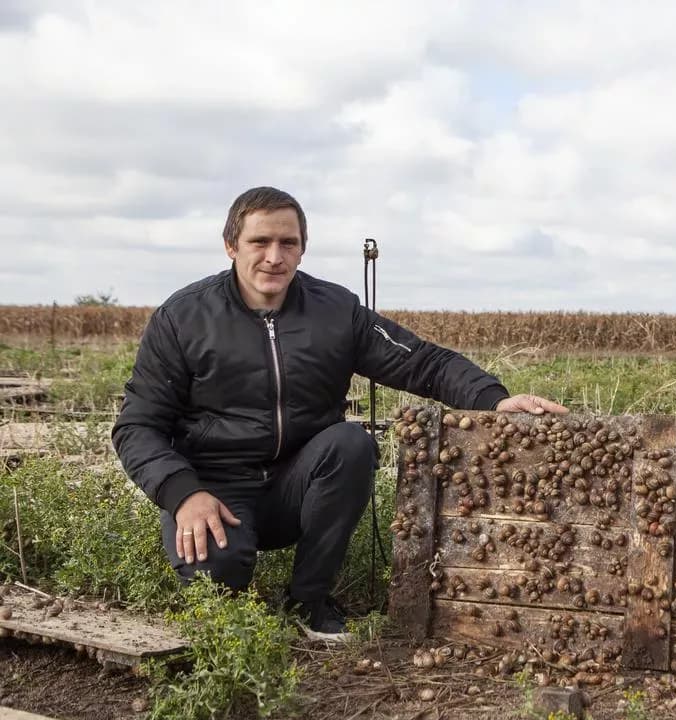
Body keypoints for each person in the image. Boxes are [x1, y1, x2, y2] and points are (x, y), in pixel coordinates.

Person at [112, 186, 566, 641]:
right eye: (259, 242)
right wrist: (182, 493)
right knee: (219, 587)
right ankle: (228, 583)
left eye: (288, 243)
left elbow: (422, 361)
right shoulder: (182, 318)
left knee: (350, 444)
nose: (274, 257)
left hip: (297, 482)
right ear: (231, 245)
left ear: (302, 249)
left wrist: (494, 399)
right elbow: (137, 426)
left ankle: (309, 600)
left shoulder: (335, 311)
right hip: (215, 488)